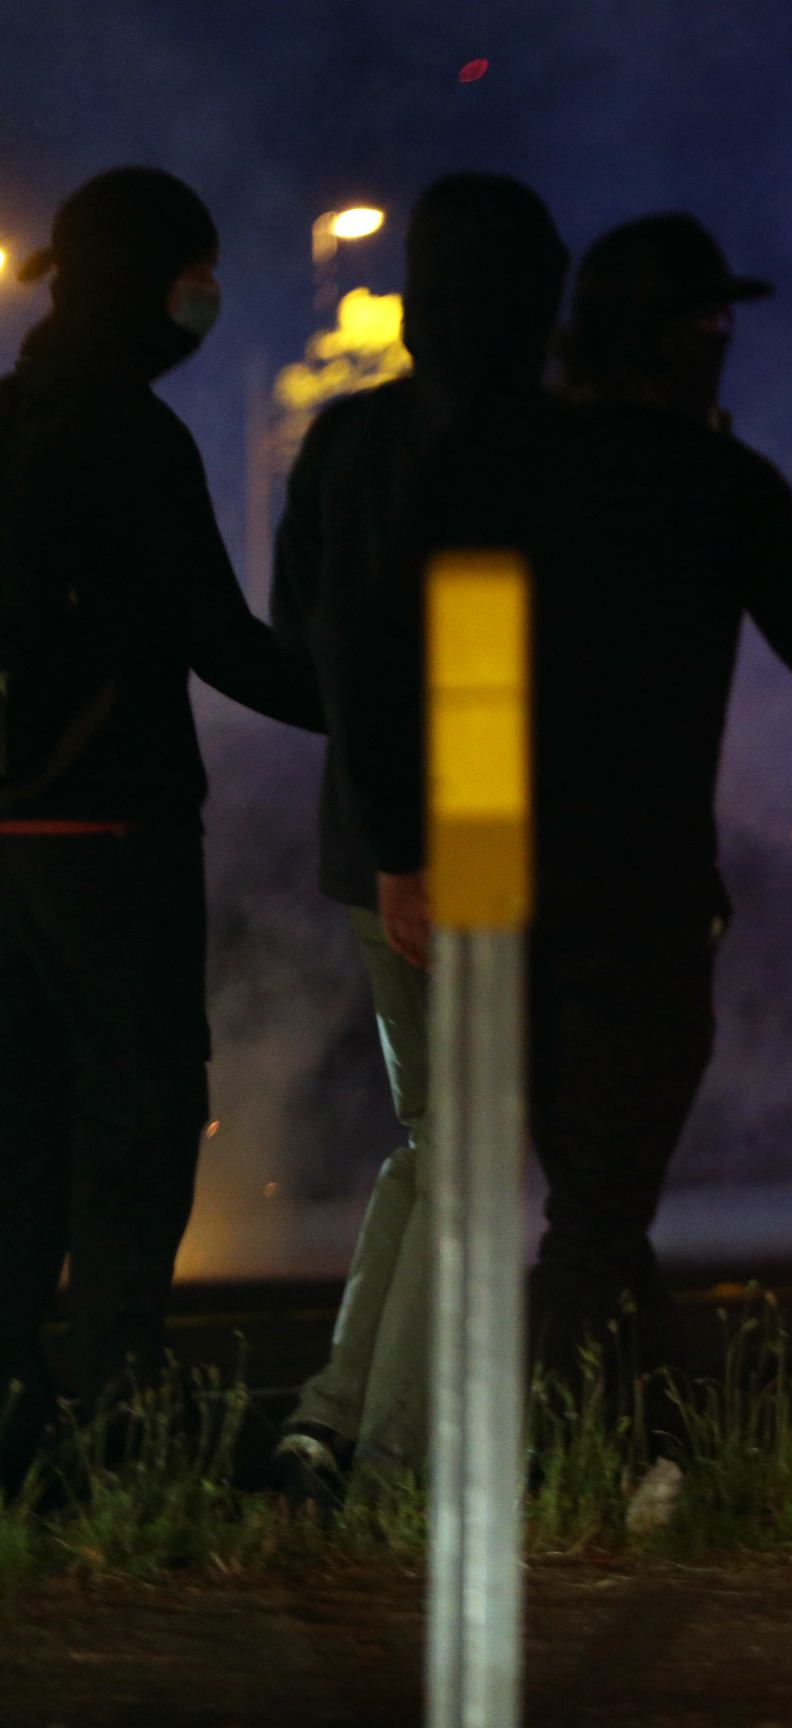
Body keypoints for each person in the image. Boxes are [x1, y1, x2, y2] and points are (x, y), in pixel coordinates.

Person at [343, 213, 792, 1416]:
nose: (726, 341)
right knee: (601, 1210)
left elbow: (380, 662)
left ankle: (664, 1437)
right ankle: (550, 1459)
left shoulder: (485, 457)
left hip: (487, 879)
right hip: (635, 894)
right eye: (715, 321)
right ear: (682, 339)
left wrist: (405, 854)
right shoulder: (718, 483)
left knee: (591, 1198)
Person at [0, 168, 323, 1482]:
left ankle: (18, 1413)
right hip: (112, 838)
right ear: (151, 282)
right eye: (195, 270)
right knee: (136, 1121)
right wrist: (385, 713)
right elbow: (220, 643)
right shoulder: (132, 433)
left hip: (5, 843)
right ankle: (122, 1406)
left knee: (18, 1128)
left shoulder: (8, 415)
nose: (208, 297)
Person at [265, 174, 569, 1491]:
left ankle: (328, 1421)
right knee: (477, 1146)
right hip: (477, 823)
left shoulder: (342, 442)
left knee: (437, 1137)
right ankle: (390, 1466)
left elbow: (297, 641)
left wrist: (380, 833)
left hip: (362, 832)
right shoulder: (535, 441)